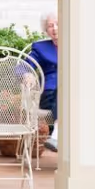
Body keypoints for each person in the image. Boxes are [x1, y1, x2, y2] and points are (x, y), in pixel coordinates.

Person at [23, 11, 59, 152]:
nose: (54, 28)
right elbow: (24, 65)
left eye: (58, 24)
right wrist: (27, 74)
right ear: (46, 29)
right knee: (63, 87)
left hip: (76, 95)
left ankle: (56, 135)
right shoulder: (40, 48)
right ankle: (57, 134)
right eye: (50, 25)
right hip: (50, 95)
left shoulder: (77, 45)